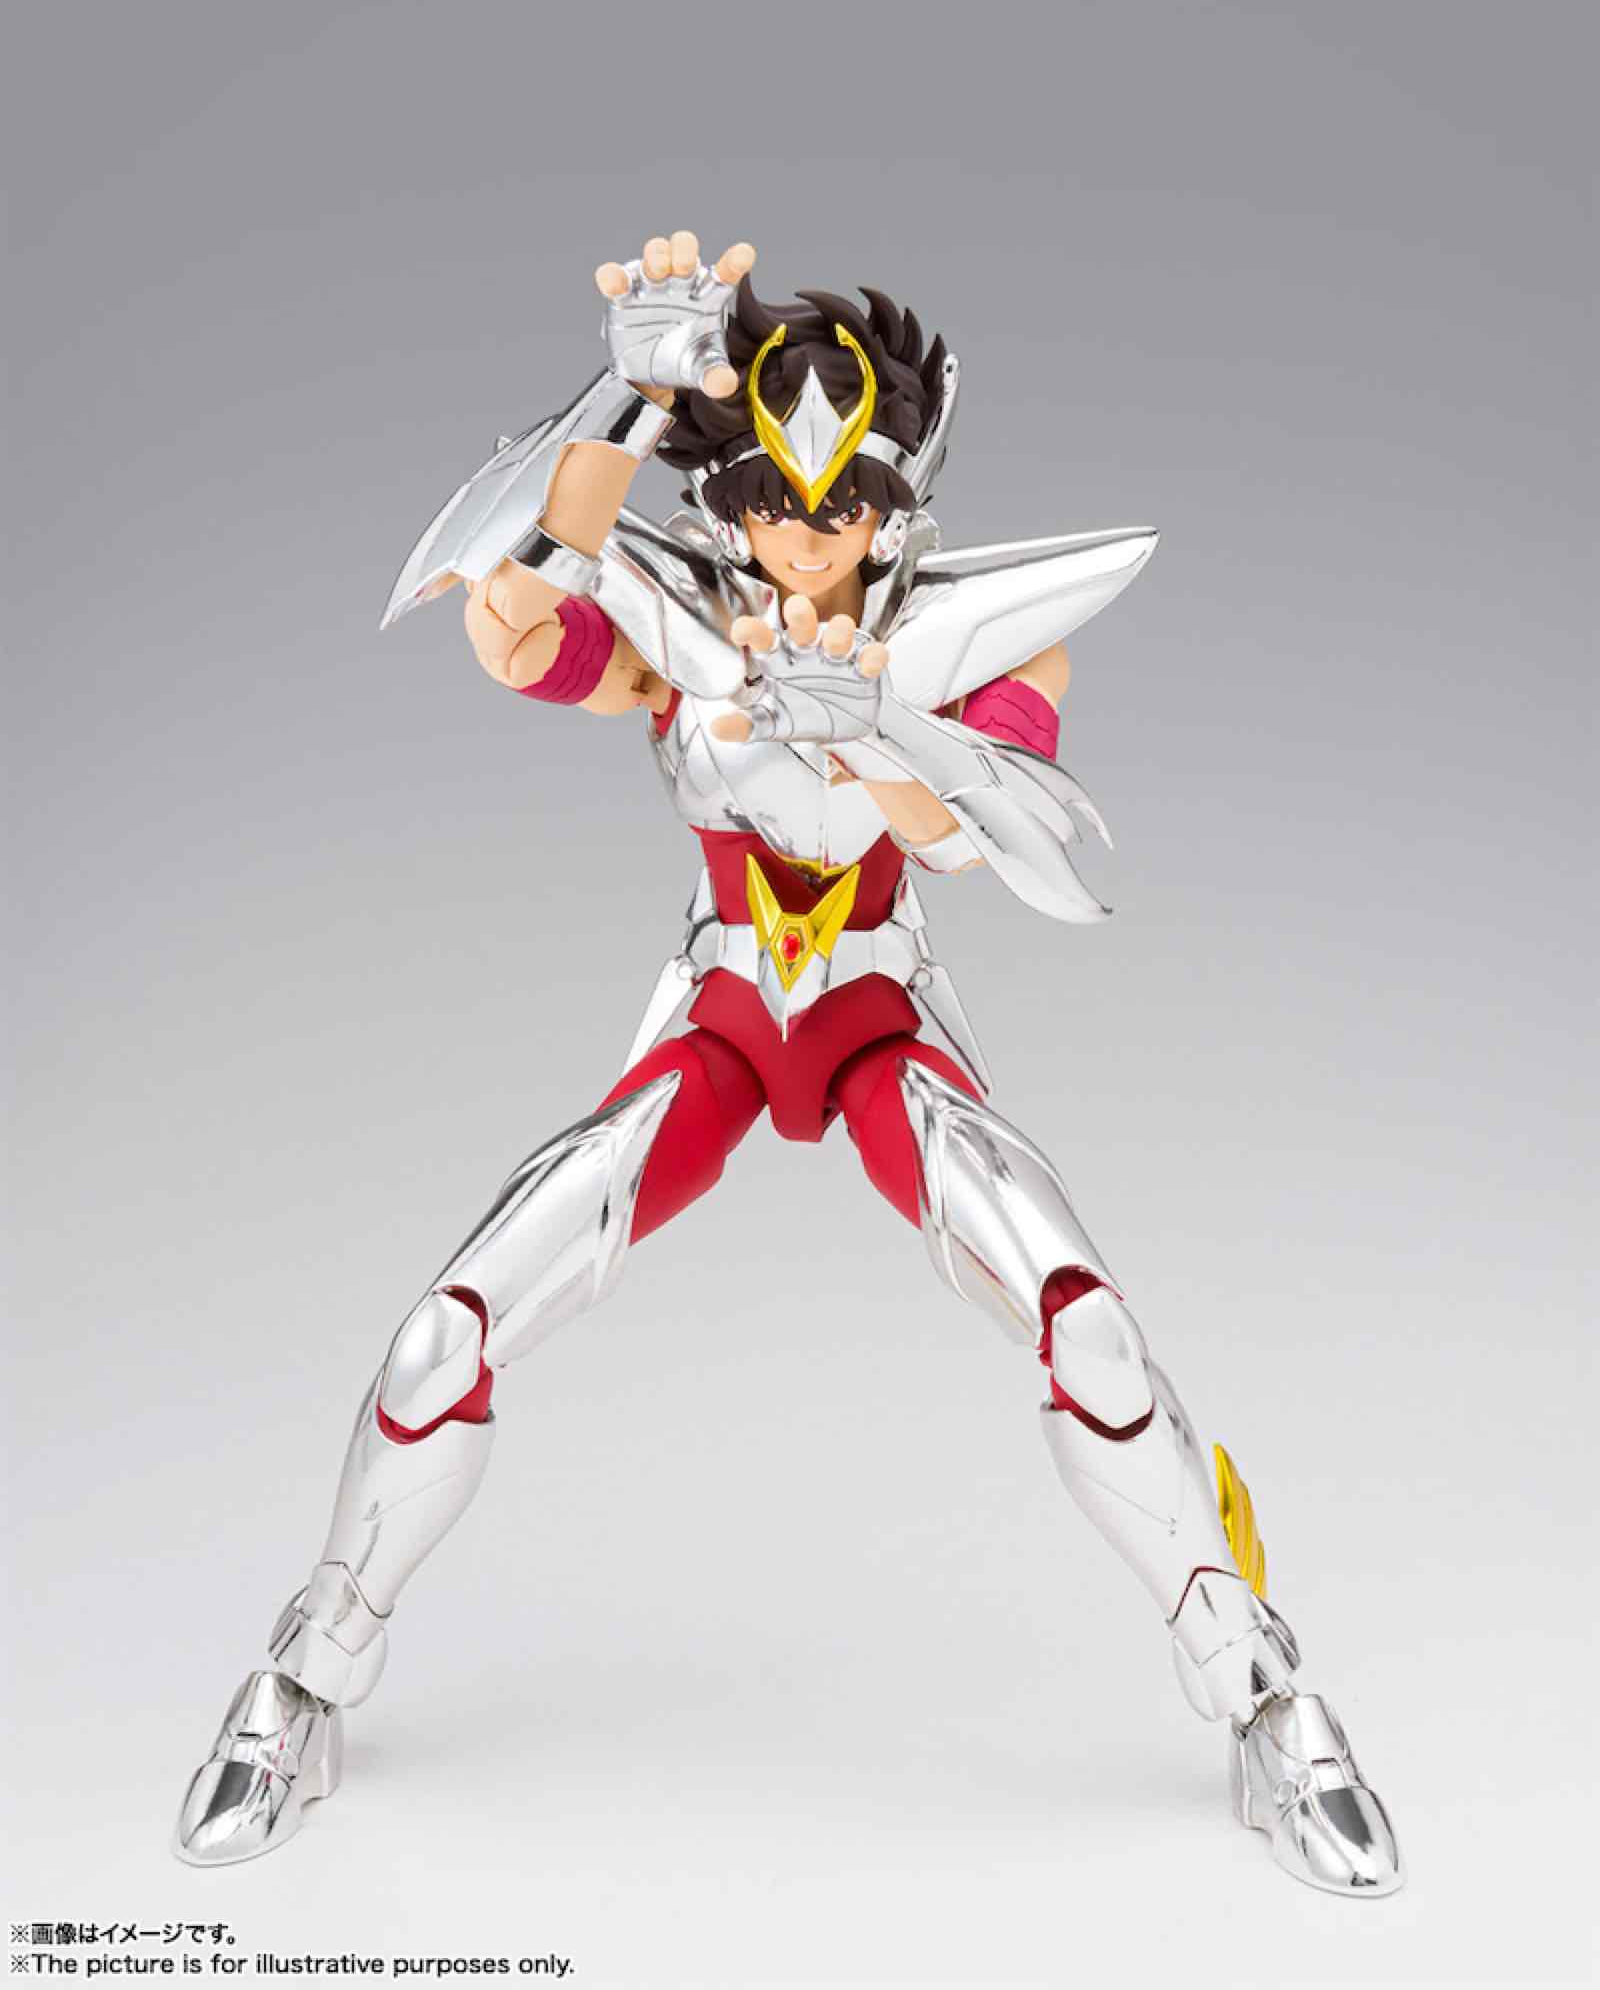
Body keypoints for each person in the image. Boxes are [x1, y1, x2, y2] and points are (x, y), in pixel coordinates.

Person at [175, 229, 1403, 1895]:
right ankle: (309, 1671)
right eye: (768, 502)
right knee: (441, 1333)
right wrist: (623, 393)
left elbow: (977, 838)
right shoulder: (689, 630)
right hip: (726, 1026)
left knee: (1090, 1325)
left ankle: (1263, 1692)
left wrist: (878, 728)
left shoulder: (974, 643)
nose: (803, 538)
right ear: (732, 497)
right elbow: (517, 626)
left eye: (839, 507)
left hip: (883, 1026)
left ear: (898, 504)